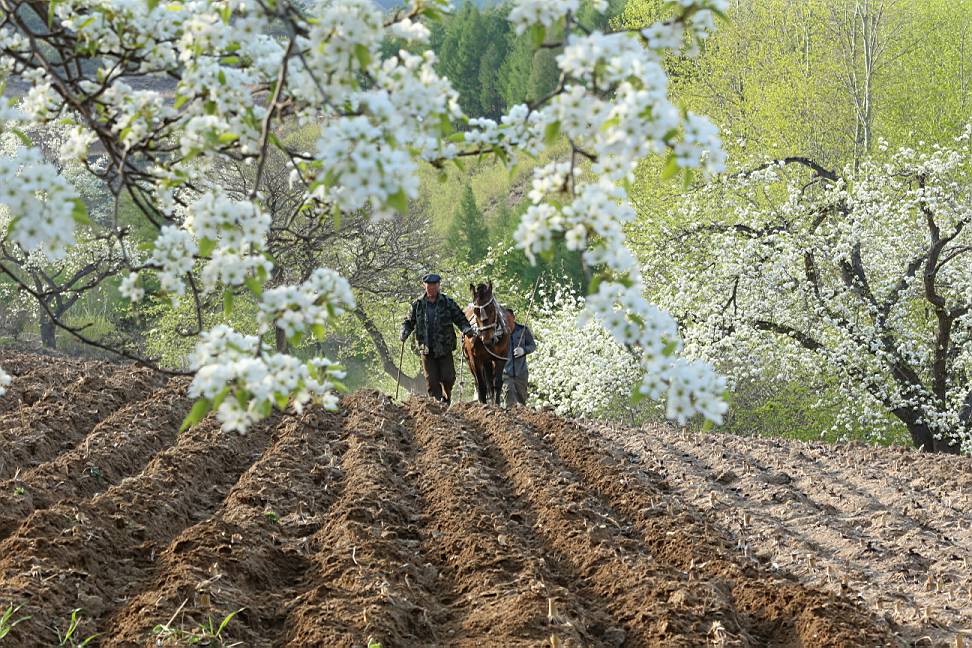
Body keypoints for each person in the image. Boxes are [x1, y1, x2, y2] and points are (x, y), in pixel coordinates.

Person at [401, 273, 474, 403]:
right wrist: (405, 332)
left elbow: (460, 317)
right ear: (424, 286)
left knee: (449, 377)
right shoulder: (417, 304)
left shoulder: (447, 302)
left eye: (434, 285)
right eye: (429, 286)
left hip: (444, 348)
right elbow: (408, 321)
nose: (432, 288)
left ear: (438, 286)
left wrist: (466, 329)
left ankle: (447, 396)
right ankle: (438, 403)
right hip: (427, 349)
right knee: (431, 380)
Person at [502, 307, 536, 407]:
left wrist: (524, 350)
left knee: (522, 402)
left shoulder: (523, 330)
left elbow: (532, 346)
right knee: (509, 402)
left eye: (508, 318)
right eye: (504, 319)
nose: (506, 321)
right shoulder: (500, 333)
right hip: (506, 374)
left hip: (521, 373)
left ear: (513, 317)